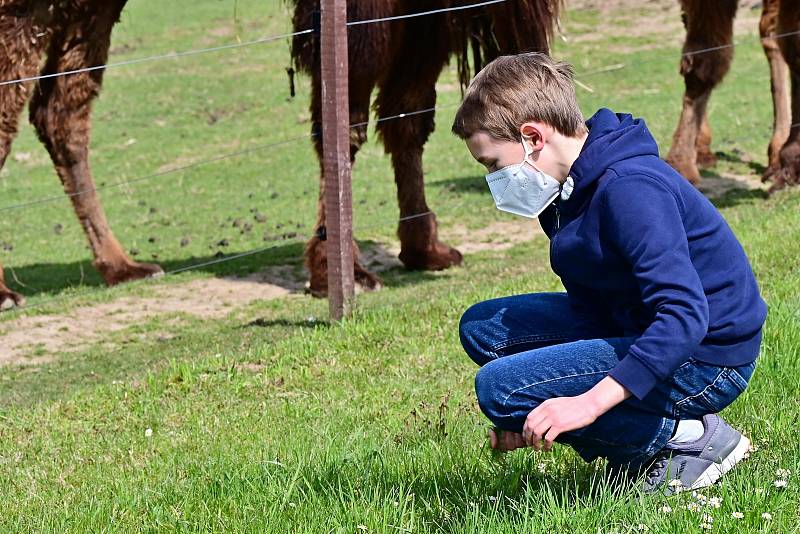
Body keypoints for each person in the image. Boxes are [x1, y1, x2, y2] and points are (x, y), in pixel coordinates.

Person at [451, 52, 767, 494]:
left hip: (706, 356)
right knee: (483, 328)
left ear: (532, 137)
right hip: (636, 322)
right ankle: (636, 429)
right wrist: (541, 400)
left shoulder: (630, 189)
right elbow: (593, 297)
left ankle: (691, 439)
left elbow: (683, 316)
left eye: (492, 164)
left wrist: (585, 407)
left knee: (498, 389)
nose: (494, 179)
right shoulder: (565, 189)